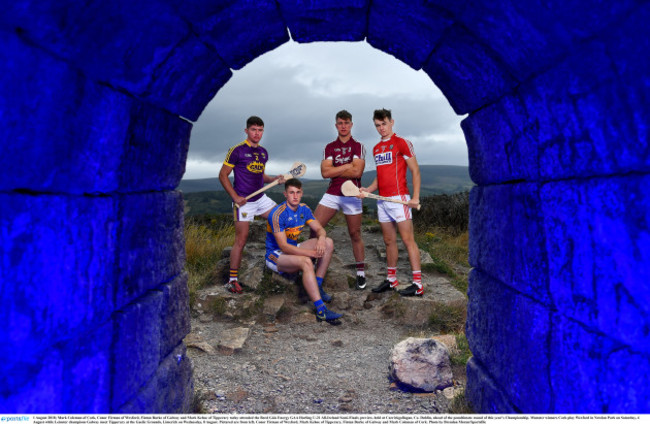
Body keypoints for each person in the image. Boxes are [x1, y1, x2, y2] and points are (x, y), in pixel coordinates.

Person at [360, 108, 423, 296]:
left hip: (400, 199)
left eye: (384, 123)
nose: (381, 128)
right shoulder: (377, 148)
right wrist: (367, 190)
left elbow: (415, 171)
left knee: (407, 240)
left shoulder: (401, 143)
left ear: (391, 122)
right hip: (382, 201)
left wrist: (415, 197)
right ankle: (391, 279)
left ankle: (418, 285)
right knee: (388, 241)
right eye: (378, 125)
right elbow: (380, 177)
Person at [219, 116, 284, 294]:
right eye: (254, 129)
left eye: (260, 130)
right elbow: (223, 175)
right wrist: (235, 196)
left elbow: (261, 175)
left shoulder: (263, 152)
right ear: (247, 131)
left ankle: (279, 257)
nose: (257, 133)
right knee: (241, 239)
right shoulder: (237, 151)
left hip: (260, 199)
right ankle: (232, 280)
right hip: (243, 202)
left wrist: (273, 179)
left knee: (282, 216)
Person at [266, 178, 343, 324]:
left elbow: (320, 229)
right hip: (276, 255)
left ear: (301, 193)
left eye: (298, 192)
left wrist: (321, 238)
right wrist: (312, 254)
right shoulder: (277, 214)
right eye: (291, 192)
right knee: (307, 261)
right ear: (285, 194)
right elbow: (284, 247)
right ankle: (321, 311)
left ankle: (317, 286)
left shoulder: (304, 209)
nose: (295, 196)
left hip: (294, 249)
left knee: (328, 242)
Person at [312, 110, 367, 290]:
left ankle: (360, 272)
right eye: (340, 123)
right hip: (333, 193)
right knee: (314, 227)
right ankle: (310, 263)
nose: (343, 126)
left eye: (346, 123)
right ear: (336, 125)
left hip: (352, 194)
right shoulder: (329, 147)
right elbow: (325, 173)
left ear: (351, 124)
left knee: (355, 234)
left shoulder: (358, 146)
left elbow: (357, 172)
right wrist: (347, 165)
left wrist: (336, 168)